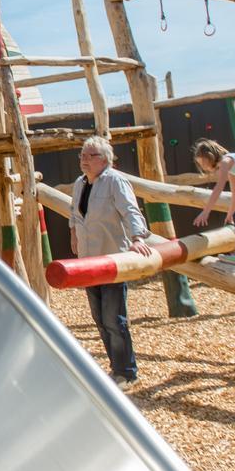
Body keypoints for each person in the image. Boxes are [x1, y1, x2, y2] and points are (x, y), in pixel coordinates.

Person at [69, 136, 153, 390]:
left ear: (105, 159)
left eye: (90, 155)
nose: (84, 160)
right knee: (99, 317)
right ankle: (115, 369)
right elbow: (75, 212)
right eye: (82, 155)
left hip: (111, 258)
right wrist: (74, 234)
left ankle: (126, 372)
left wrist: (138, 237)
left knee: (114, 318)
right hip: (88, 260)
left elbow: (130, 210)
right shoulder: (79, 183)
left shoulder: (115, 181)